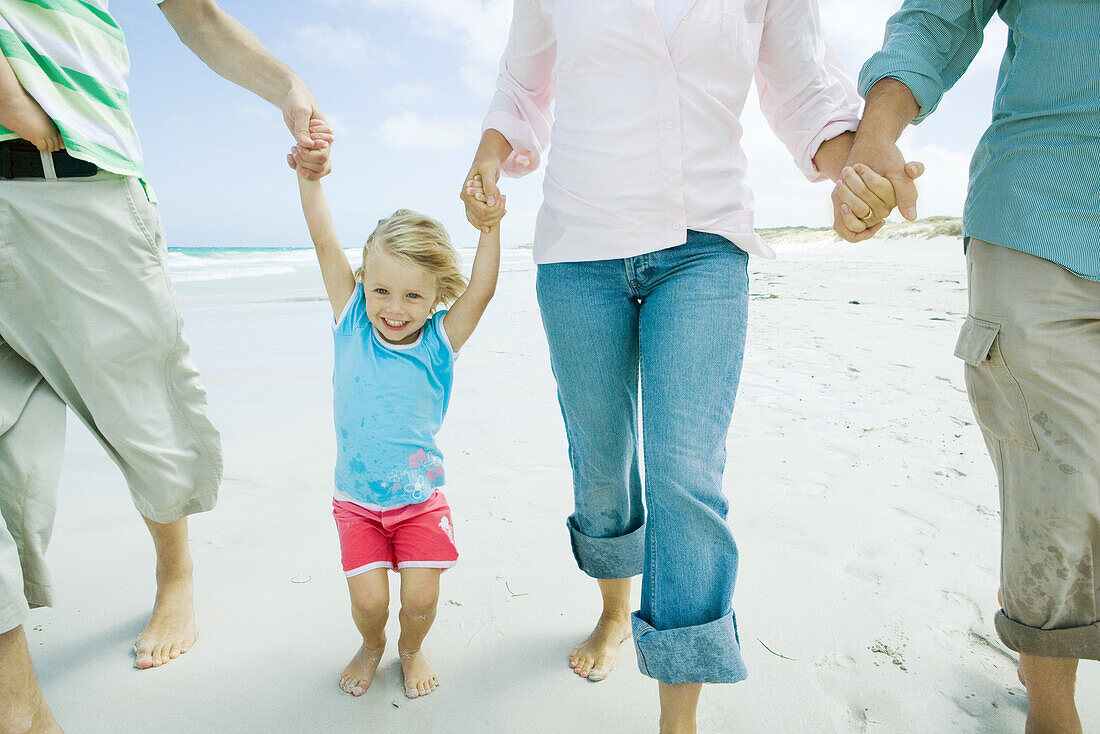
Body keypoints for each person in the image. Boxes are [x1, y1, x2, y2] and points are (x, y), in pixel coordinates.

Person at [460, 1, 871, 730]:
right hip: (578, 252)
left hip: (705, 246)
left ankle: (675, 718)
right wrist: (491, 153)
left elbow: (806, 87)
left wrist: (852, 174)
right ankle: (615, 612)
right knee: (602, 459)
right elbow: (523, 86)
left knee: (685, 472)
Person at [0, 0, 330, 731]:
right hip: (29, 137)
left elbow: (197, 16)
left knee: (146, 413)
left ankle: (174, 569)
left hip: (69, 182)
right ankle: (18, 706)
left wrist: (287, 86)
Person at [832, 2, 1100, 732]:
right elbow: (940, 16)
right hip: (1045, 220)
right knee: (1064, 484)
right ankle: (1052, 707)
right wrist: (876, 135)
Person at [292, 127, 502, 700]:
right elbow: (323, 243)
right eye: (382, 291)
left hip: (420, 501)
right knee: (369, 602)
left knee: (420, 600)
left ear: (435, 297)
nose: (394, 308)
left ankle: (411, 648)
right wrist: (311, 182)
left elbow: (480, 291)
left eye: (413, 296)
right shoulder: (352, 322)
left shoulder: (439, 342)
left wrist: (490, 229)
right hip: (356, 501)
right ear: (364, 285)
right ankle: (371, 644)